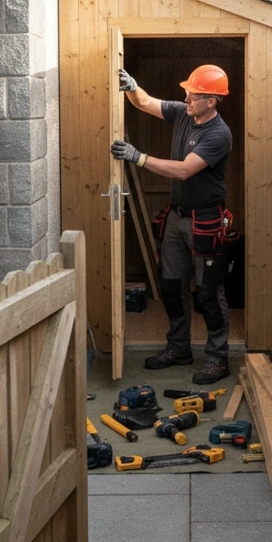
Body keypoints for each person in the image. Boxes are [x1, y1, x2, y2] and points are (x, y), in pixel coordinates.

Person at [110, 64, 233, 385]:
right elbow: (144, 102)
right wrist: (133, 87)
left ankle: (218, 358)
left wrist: (138, 157)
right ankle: (179, 348)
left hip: (206, 220)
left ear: (212, 101)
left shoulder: (218, 134)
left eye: (194, 95)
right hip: (177, 217)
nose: (187, 98)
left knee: (208, 292)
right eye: (187, 92)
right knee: (172, 286)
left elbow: (183, 170)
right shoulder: (182, 113)